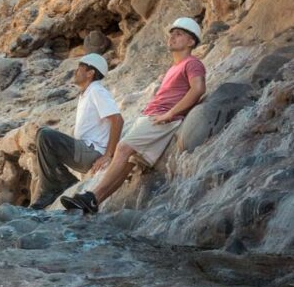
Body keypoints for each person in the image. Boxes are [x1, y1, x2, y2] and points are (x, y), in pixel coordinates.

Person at [62, 17, 206, 214]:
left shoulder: (192, 63)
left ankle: (91, 196)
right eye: (171, 33)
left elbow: (198, 89)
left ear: (191, 42)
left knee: (122, 148)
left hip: (162, 118)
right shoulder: (174, 68)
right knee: (129, 163)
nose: (172, 37)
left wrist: (170, 114)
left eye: (179, 34)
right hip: (153, 117)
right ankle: (95, 203)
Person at [30, 53, 123, 210]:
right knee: (44, 138)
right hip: (84, 150)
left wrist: (108, 155)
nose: (75, 72)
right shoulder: (86, 93)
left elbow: (118, 120)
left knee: (45, 135)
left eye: (80, 68)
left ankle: (52, 189)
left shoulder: (96, 90)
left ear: (90, 73)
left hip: (92, 152)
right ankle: (63, 182)